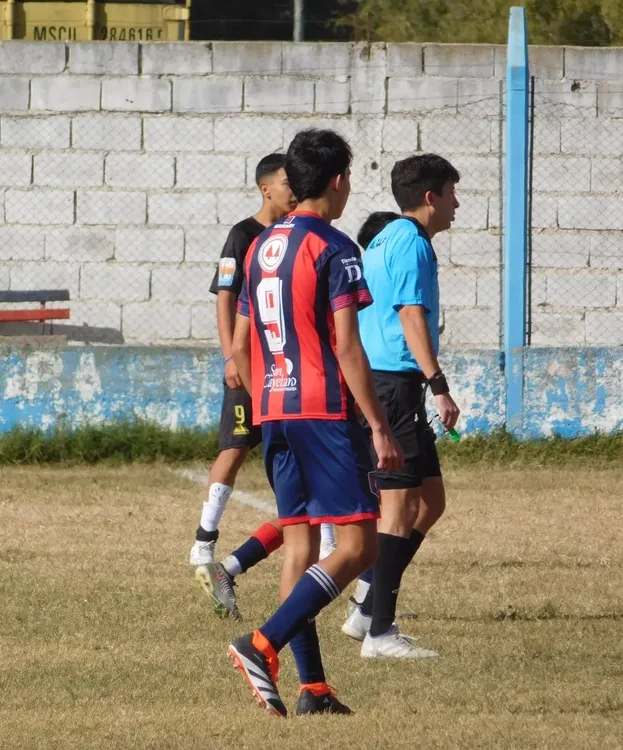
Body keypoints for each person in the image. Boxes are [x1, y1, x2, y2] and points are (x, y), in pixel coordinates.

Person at [225, 128, 403, 717]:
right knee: (358, 545)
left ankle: (314, 689)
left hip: (275, 411)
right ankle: (260, 642)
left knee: (300, 545)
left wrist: (265, 401)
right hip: (324, 409)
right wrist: (378, 425)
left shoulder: (261, 247)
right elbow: (348, 347)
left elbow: (242, 345)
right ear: (338, 180)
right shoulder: (335, 246)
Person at [190, 154, 336, 620]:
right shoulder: (244, 236)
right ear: (265, 188)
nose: (294, 190)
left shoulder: (296, 234)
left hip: (289, 374)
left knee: (304, 494)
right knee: (236, 448)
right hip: (253, 366)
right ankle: (204, 545)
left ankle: (240, 568)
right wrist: (231, 355)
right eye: (286, 183)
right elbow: (227, 299)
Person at [351, 154, 461, 660]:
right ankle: (380, 633)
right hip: (395, 385)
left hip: (394, 385)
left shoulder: (386, 238)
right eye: (452, 193)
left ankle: (368, 607)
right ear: (430, 197)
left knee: (430, 501)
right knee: (398, 508)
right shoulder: (411, 242)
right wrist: (438, 384)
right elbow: (411, 314)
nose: (457, 204)